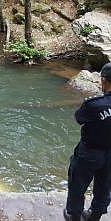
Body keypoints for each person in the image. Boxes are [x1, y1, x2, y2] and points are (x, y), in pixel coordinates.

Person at [64, 62, 111, 221]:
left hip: (90, 153)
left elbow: (78, 118)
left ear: (103, 80)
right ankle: (94, 215)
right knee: (105, 186)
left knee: (77, 184)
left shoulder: (94, 104)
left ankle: (74, 215)